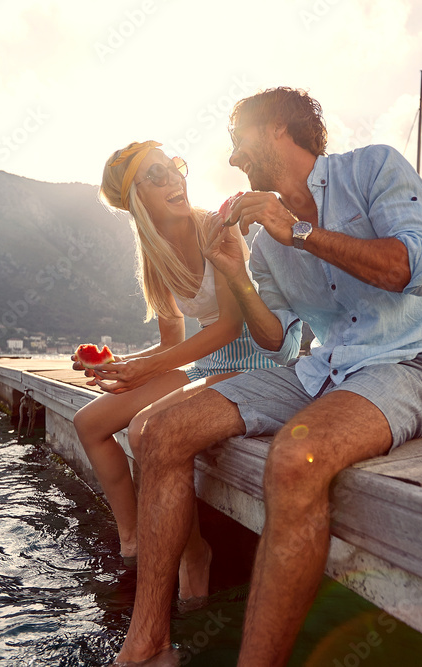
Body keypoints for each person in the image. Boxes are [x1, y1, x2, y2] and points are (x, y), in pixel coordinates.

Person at [115, 87, 422, 666]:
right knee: (156, 433)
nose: (230, 160)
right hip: (319, 369)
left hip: (405, 365)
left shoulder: (374, 168)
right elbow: (276, 338)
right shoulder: (261, 234)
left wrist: (296, 229)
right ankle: (147, 646)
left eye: (237, 141)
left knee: (294, 460)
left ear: (277, 129)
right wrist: (237, 273)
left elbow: (414, 268)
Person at [71, 140, 276, 601]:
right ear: (136, 199)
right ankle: (135, 543)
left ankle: (193, 554)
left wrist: (144, 370)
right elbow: (172, 345)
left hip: (257, 357)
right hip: (211, 359)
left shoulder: (213, 227)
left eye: (175, 167)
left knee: (147, 428)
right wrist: (115, 365)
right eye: (157, 175)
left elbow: (228, 326)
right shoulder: (156, 257)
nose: (175, 178)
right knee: (90, 422)